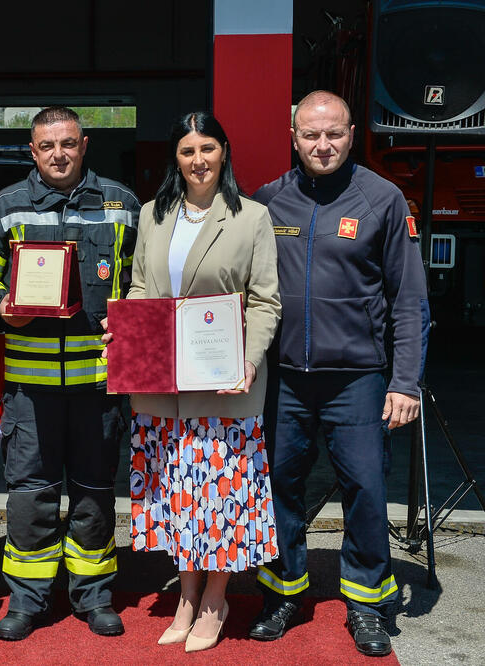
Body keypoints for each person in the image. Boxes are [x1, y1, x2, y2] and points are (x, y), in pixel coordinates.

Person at [249, 91, 427, 658]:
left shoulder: (383, 199)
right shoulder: (268, 202)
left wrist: (403, 382)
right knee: (278, 486)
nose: (322, 145)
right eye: (310, 135)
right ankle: (283, 592)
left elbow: (409, 302)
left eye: (333, 134)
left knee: (367, 491)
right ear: (293, 135)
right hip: (284, 379)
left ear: (351, 134)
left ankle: (368, 602)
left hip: (359, 379)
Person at [104, 112, 281, 652]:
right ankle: (185, 597)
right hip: (162, 382)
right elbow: (139, 287)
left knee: (220, 496)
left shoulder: (251, 217)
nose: (198, 160)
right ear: (174, 159)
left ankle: (214, 600)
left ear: (224, 152)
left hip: (225, 381)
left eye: (208, 148)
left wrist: (249, 359)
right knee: (179, 495)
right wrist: (126, 332)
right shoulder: (153, 214)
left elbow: (265, 300)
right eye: (187, 151)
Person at [0, 106, 139, 640]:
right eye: (46, 146)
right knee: (30, 495)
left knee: (93, 492)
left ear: (84, 144)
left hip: (99, 383)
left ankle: (94, 596)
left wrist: (133, 323)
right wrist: (0, 309)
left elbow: (146, 279)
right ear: (32, 151)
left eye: (67, 143)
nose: (58, 154)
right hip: (30, 388)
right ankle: (28, 599)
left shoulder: (122, 204)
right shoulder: (7, 208)